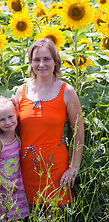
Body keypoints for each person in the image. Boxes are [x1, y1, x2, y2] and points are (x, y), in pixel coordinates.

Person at [14, 38, 84, 210]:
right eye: (36, 60)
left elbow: (78, 132)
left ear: (55, 62)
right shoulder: (21, 92)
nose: (41, 64)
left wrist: (74, 167)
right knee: (28, 215)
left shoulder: (66, 91)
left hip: (57, 170)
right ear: (30, 63)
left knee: (55, 215)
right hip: (25, 170)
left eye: (46, 59)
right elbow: (9, 129)